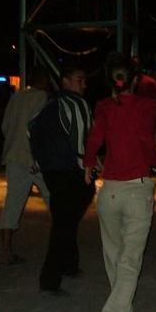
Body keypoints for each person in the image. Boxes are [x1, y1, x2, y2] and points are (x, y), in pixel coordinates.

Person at [83, 53, 156, 312]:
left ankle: (121, 309)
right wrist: (154, 163)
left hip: (110, 191)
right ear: (135, 79)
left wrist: (89, 164)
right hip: (137, 189)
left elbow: (95, 138)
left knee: (114, 256)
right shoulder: (148, 106)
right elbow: (145, 140)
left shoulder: (103, 106)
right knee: (129, 261)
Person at [33, 65, 95, 294]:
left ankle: (69, 264)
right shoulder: (77, 104)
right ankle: (50, 280)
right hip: (71, 170)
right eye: (80, 79)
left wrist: (39, 160)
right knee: (64, 224)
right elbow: (83, 140)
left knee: (64, 219)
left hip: (52, 170)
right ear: (65, 80)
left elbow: (32, 130)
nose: (84, 84)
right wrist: (88, 166)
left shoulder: (50, 104)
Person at [0, 67, 51, 265]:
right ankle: (60, 246)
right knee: (54, 200)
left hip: (14, 155)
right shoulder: (43, 98)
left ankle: (6, 250)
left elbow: (5, 126)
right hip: (35, 159)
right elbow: (40, 129)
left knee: (12, 203)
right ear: (44, 81)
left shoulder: (16, 97)